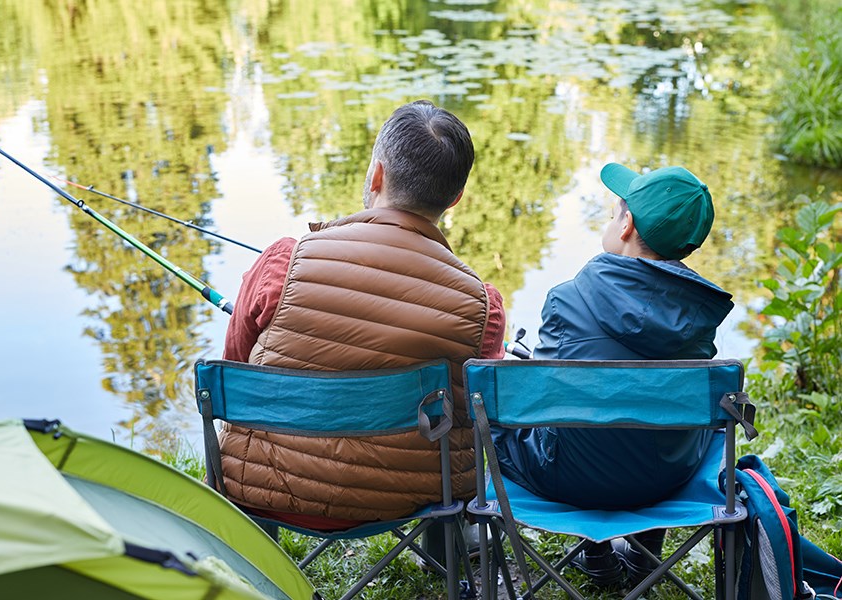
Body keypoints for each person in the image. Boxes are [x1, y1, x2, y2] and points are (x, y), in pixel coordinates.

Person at [221, 100, 506, 533]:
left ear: (376, 174)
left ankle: (258, 567)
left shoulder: (284, 262)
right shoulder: (480, 307)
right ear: (456, 198)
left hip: (264, 488)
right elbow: (477, 411)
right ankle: (445, 560)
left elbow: (234, 370)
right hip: (414, 500)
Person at [493, 163, 734, 586]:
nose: (611, 216)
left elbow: (545, 402)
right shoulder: (700, 315)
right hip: (668, 478)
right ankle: (645, 559)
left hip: (569, 479)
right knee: (661, 420)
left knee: (542, 422)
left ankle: (597, 555)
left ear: (627, 225)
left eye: (613, 210)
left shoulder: (566, 299)